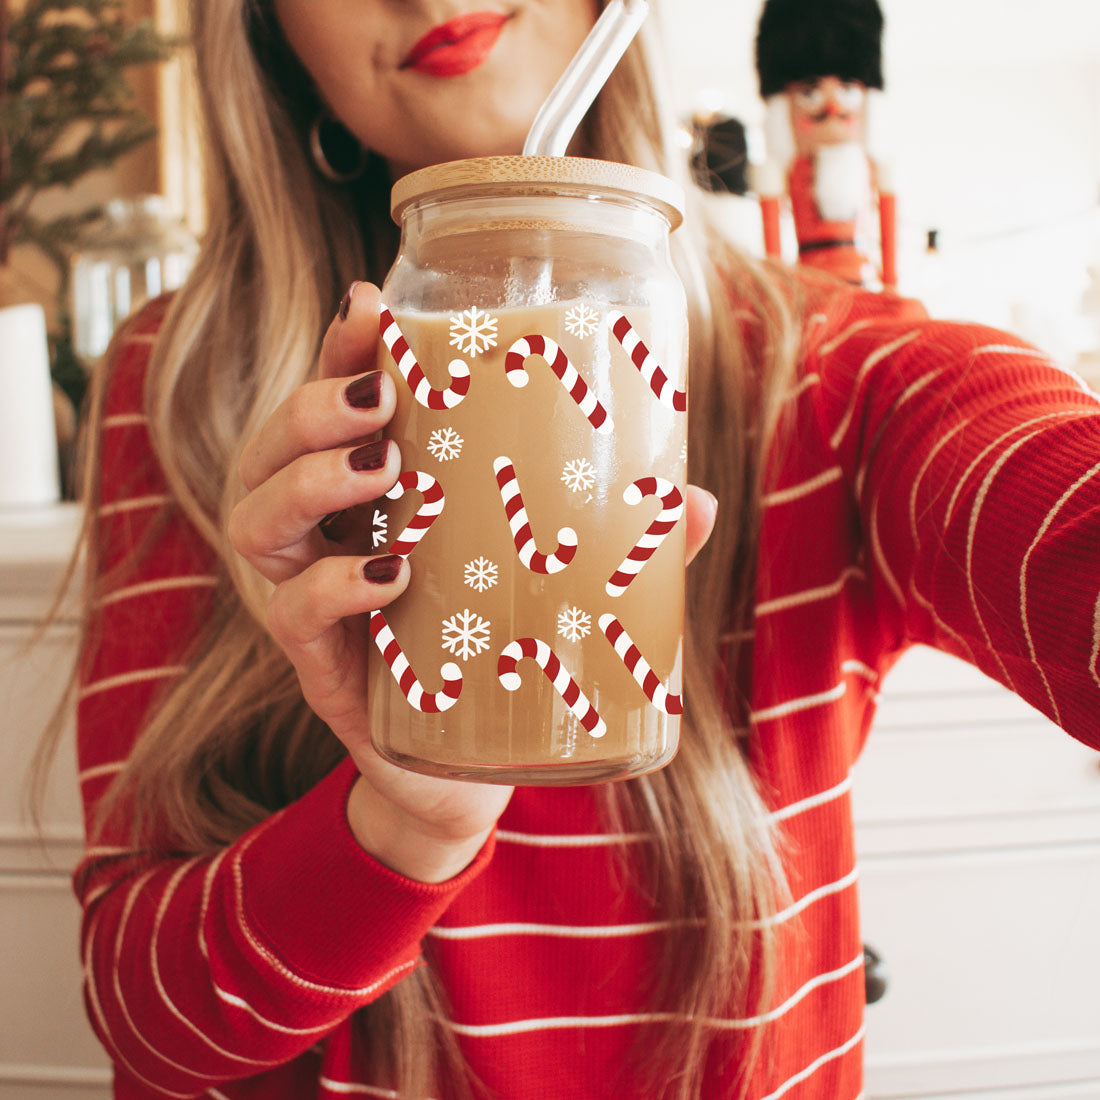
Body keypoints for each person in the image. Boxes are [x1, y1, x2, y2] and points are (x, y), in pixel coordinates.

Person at [60, 1, 1100, 1098]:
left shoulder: (837, 375)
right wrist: (403, 822)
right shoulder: (187, 384)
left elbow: (1049, 504)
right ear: (269, 31)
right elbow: (144, 1022)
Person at [754, 0, 898, 289]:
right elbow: (773, 254)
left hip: (866, 282)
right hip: (809, 285)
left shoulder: (871, 168)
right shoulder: (789, 171)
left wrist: (891, 285)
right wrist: (777, 289)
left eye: (847, 90)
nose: (832, 107)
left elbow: (888, 237)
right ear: (784, 107)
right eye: (810, 93)